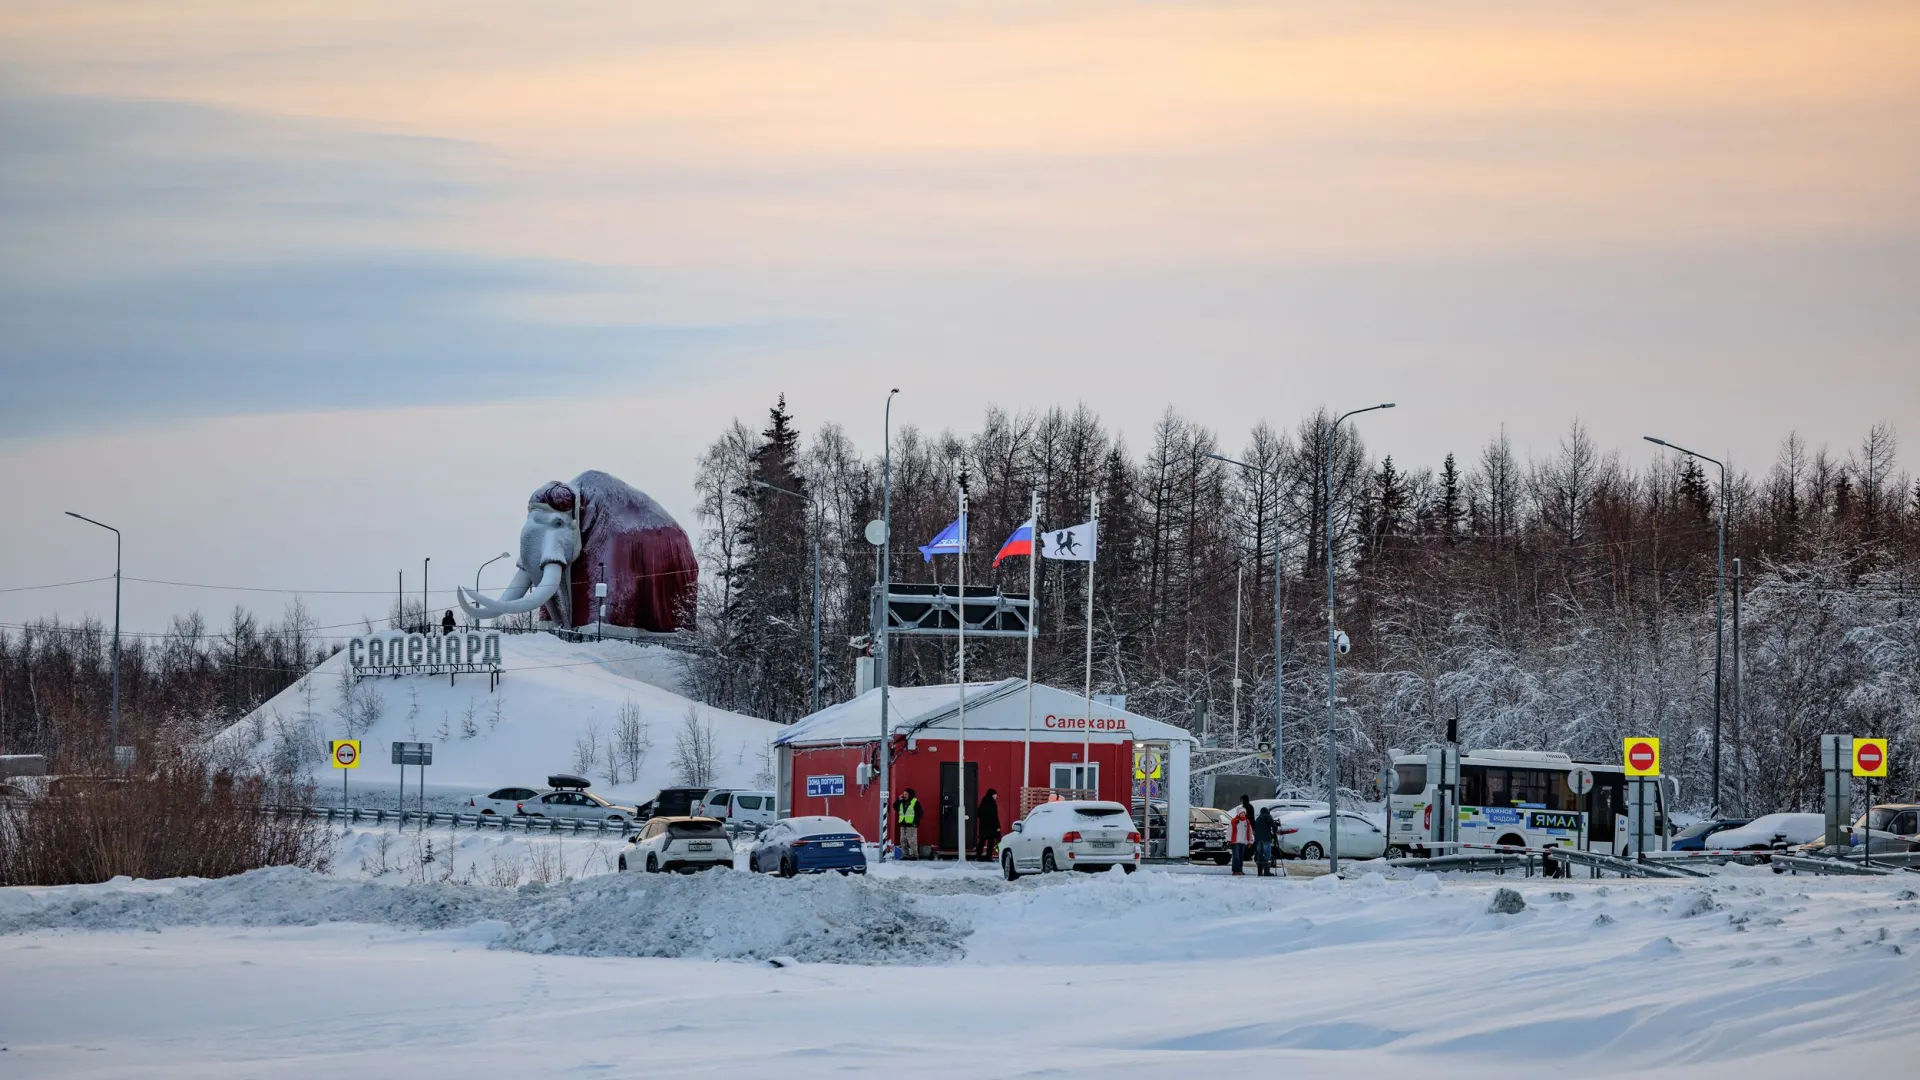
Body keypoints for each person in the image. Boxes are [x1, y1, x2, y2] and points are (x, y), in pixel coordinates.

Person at [1228, 795, 1254, 876]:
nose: (1243, 814)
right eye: (1242, 813)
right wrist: (1229, 839)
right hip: (1235, 841)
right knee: (1236, 857)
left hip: (1243, 841)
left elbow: (1249, 832)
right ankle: (1235, 870)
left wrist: (1250, 840)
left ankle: (1239, 870)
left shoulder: (1247, 821)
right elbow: (1230, 830)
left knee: (1241, 857)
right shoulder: (1234, 821)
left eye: (1244, 813)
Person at [974, 788, 1002, 859]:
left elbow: (978, 813)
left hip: (983, 826)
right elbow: (995, 816)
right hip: (991, 827)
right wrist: (998, 826)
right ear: (992, 795)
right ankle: (989, 856)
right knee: (991, 842)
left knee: (982, 841)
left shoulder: (983, 802)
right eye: (995, 795)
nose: (996, 796)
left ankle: (978, 855)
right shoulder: (992, 804)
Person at [1253, 802, 1277, 876]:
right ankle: (1267, 872)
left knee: (1260, 855)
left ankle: (1259, 872)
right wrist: (1274, 830)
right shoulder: (1268, 816)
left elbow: (1254, 829)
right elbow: (1273, 825)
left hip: (1258, 840)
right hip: (1266, 839)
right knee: (1267, 855)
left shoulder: (1258, 818)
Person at [897, 788, 921, 860]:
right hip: (903, 824)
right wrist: (898, 799)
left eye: (906, 794)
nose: (904, 795)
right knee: (903, 840)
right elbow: (895, 806)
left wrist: (916, 822)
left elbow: (920, 813)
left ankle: (914, 855)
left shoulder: (915, 801)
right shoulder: (902, 801)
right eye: (903, 794)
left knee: (912, 841)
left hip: (911, 825)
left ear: (910, 794)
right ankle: (906, 855)